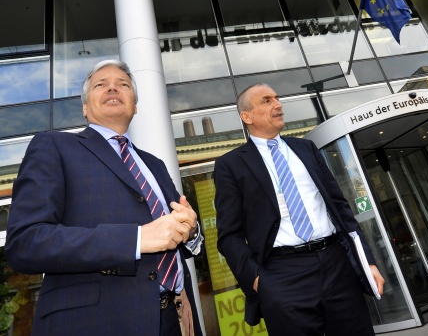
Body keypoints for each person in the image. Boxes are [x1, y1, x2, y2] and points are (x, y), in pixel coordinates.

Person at [5, 60, 204, 336]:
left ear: (134, 106)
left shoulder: (155, 164)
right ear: (85, 108)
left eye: (123, 84)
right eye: (101, 84)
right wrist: (134, 240)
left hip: (174, 319)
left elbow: (180, 240)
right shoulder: (53, 146)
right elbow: (25, 242)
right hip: (97, 322)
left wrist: (191, 231)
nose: (113, 87)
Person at [214, 83, 384, 336]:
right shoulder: (230, 165)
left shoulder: (306, 149)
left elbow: (340, 208)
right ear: (246, 117)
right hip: (282, 274)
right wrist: (258, 279)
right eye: (266, 100)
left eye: (277, 98)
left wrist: (366, 260)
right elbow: (229, 235)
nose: (278, 104)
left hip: (336, 264)